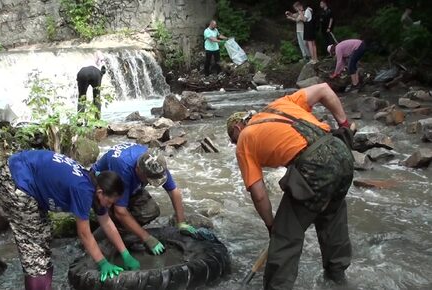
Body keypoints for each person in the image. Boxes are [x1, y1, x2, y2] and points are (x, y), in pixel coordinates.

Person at [227, 83, 354, 289]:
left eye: (233, 139)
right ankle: (337, 277)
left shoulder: (245, 139)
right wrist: (345, 123)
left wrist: (272, 226)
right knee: (332, 216)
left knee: (286, 235)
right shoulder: (284, 103)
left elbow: (259, 195)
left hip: (315, 166)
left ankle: (277, 286)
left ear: (237, 128)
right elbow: (323, 89)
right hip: (341, 151)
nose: (235, 144)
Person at [0, 150, 140, 289]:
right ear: (100, 192)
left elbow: (106, 222)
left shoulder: (96, 183)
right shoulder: (83, 190)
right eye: (109, 202)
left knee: (43, 235)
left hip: (28, 174)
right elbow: (84, 233)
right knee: (33, 249)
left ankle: (43, 282)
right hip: (15, 178)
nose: (110, 206)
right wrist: (102, 262)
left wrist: (125, 254)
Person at [91, 142, 196, 255]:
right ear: (138, 169)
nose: (150, 184)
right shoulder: (124, 167)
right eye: (148, 180)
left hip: (129, 185)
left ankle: (124, 230)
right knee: (119, 215)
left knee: (150, 210)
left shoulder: (155, 162)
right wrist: (146, 238)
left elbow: (173, 191)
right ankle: (104, 237)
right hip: (104, 188)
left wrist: (181, 223)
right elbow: (120, 211)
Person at [77, 51, 106, 119]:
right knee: (97, 97)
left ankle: (80, 121)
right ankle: (97, 120)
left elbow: (78, 77)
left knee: (82, 97)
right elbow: (103, 70)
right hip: (96, 72)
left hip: (82, 72)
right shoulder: (100, 59)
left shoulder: (86, 57)